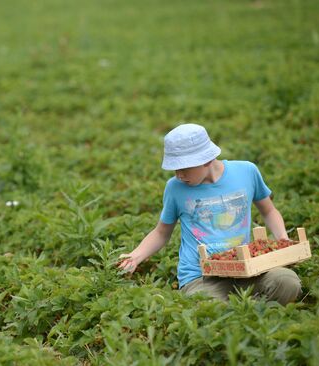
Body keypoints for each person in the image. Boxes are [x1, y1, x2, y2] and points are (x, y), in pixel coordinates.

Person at [118, 123, 301, 305]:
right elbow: (161, 232)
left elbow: (268, 210)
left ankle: (245, 310)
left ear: (206, 160)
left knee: (288, 283)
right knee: (208, 307)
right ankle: (241, 310)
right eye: (175, 169)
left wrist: (283, 241)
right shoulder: (175, 188)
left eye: (184, 168)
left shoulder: (247, 171)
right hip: (201, 276)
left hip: (247, 267)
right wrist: (135, 256)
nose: (179, 175)